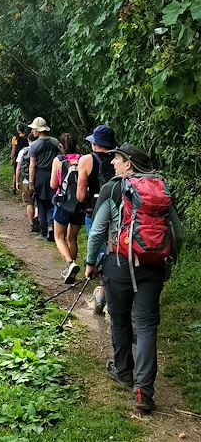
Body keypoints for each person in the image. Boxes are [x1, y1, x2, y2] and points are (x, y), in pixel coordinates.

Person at [84, 143, 182, 413]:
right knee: (147, 325)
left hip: (119, 263)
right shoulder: (161, 188)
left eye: (117, 159)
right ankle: (144, 390)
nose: (113, 162)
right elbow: (178, 234)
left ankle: (124, 371)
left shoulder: (114, 188)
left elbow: (97, 232)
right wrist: (168, 261)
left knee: (119, 317)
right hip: (153, 266)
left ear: (128, 163)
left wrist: (90, 263)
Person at [77, 124, 117, 312]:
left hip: (94, 211)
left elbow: (80, 196)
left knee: (99, 247)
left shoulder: (86, 160)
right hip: (118, 214)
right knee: (114, 249)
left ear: (95, 144)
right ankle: (107, 291)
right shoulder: (120, 159)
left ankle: (103, 294)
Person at [50, 133, 84, 283]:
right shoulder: (83, 159)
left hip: (63, 203)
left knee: (59, 237)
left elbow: (53, 184)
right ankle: (72, 270)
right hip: (79, 203)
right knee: (72, 238)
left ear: (61, 146)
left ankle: (70, 263)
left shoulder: (58, 160)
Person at [27, 117, 60, 241]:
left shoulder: (34, 145)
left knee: (40, 203)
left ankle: (43, 231)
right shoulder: (55, 142)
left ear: (38, 130)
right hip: (53, 174)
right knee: (52, 202)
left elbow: (32, 165)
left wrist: (31, 182)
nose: (32, 131)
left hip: (40, 175)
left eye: (34, 129)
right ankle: (52, 227)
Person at [16, 133, 38, 232]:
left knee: (29, 203)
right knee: (38, 203)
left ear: (29, 140)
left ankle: (32, 224)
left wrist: (16, 181)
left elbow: (18, 168)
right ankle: (38, 221)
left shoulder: (23, 151)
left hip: (26, 180)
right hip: (38, 180)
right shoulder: (39, 150)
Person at [10, 123, 28, 194]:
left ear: (18, 130)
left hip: (18, 158)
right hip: (26, 157)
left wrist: (12, 158)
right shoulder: (27, 138)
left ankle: (14, 187)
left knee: (16, 172)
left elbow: (13, 150)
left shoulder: (15, 138)